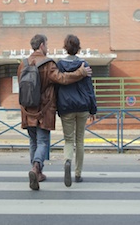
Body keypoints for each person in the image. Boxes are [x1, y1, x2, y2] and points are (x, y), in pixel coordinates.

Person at [17, 34, 92, 191]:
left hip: (26, 109)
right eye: (47, 44)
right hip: (43, 110)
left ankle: (37, 173)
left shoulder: (22, 64)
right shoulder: (47, 64)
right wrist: (81, 73)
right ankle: (36, 168)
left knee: (33, 142)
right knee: (43, 142)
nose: (48, 47)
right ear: (42, 45)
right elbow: (62, 79)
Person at [56, 34, 97, 187]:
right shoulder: (84, 65)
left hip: (66, 107)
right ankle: (78, 173)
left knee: (68, 140)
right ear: (78, 47)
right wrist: (93, 109)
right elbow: (89, 89)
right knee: (80, 140)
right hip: (82, 107)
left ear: (65, 47)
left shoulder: (59, 65)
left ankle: (67, 161)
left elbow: (56, 86)